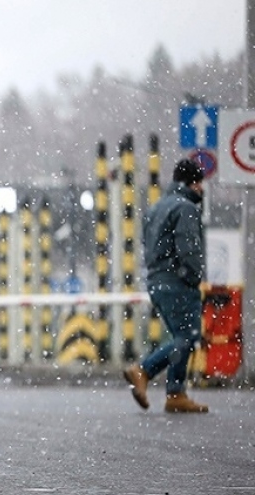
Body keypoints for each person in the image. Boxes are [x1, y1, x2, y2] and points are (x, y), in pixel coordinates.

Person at [123, 158, 208, 414]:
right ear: (192, 183)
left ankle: (175, 394)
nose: (201, 189)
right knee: (187, 337)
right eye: (199, 183)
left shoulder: (156, 207)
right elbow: (188, 250)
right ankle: (144, 371)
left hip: (157, 281)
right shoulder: (185, 209)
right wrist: (193, 277)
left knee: (181, 337)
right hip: (177, 282)